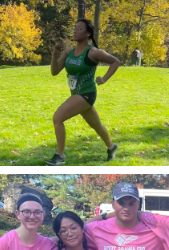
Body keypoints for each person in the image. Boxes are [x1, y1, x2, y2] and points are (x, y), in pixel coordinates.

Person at [47, 19, 120, 166]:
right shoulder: (69, 52)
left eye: (79, 29)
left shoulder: (93, 52)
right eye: (74, 28)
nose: (75, 31)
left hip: (87, 93)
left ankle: (59, 155)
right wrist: (55, 55)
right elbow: (55, 71)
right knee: (97, 125)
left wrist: (104, 78)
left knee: (57, 118)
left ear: (88, 33)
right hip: (76, 94)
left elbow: (115, 62)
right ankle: (111, 147)